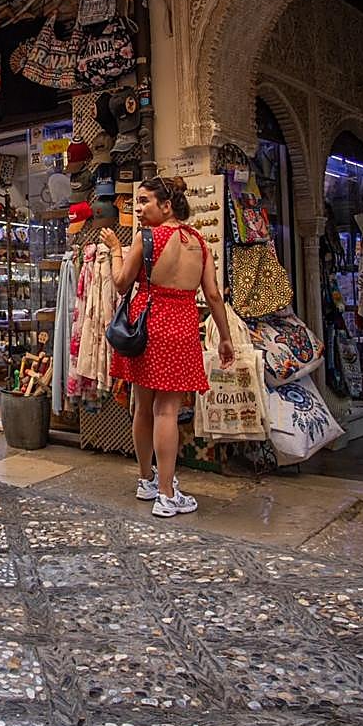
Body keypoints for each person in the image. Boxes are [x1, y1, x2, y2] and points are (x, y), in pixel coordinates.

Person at [101, 176, 234, 518]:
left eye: (145, 201)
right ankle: (165, 492)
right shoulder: (199, 243)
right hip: (182, 327)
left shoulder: (145, 239)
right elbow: (214, 295)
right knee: (167, 411)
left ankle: (151, 483)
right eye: (138, 202)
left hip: (146, 326)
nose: (140, 208)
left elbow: (120, 284)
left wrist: (116, 249)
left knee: (145, 409)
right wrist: (225, 337)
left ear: (166, 205)